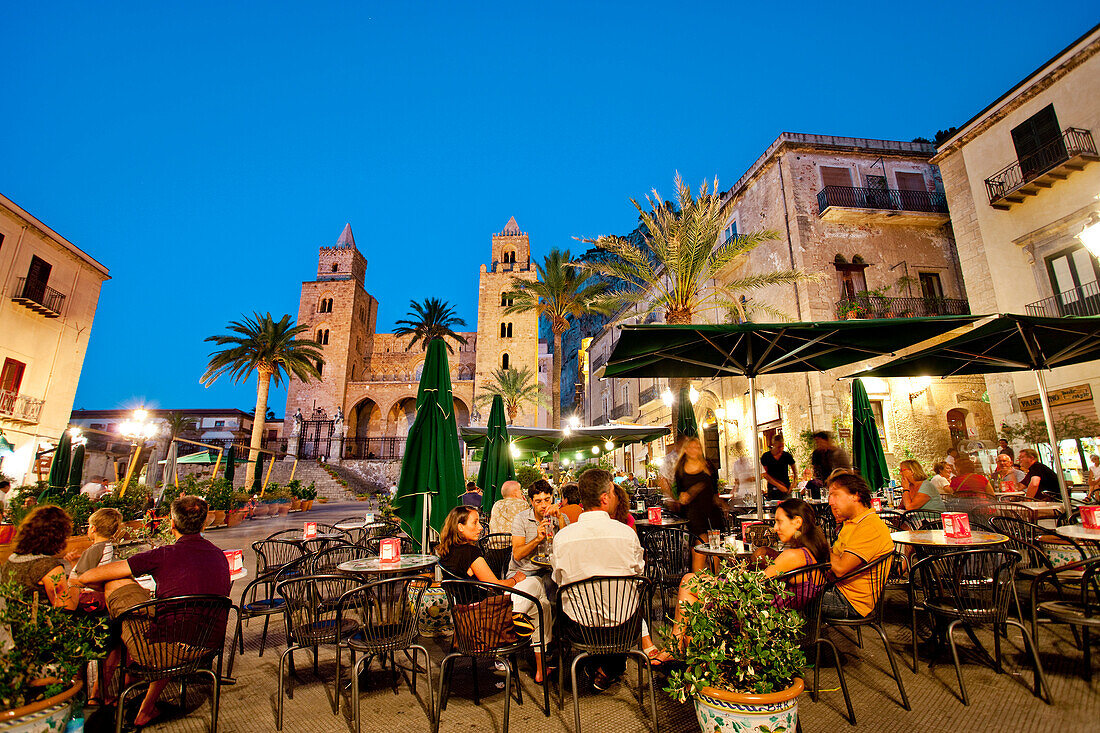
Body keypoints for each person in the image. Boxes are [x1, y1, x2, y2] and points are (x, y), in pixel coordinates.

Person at [77, 496, 231, 726]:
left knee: (115, 585)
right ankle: (144, 708)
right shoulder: (218, 554)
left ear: (171, 523)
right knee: (174, 617)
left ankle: (102, 690)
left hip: (166, 647)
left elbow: (86, 577)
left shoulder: (163, 554)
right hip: (208, 642)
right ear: (204, 524)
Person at [651, 498, 829, 664]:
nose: (775, 528)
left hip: (759, 615)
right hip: (775, 610)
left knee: (689, 583)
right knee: (691, 595)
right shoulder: (813, 551)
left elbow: (753, 585)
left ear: (797, 522)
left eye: (779, 521)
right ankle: (687, 658)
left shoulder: (793, 556)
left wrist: (731, 575)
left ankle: (679, 652)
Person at [551, 468, 644, 692]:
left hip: (579, 627)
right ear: (604, 498)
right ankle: (609, 668)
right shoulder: (626, 533)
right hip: (624, 627)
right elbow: (640, 573)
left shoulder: (563, 537)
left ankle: (596, 666)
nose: (614, 498)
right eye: (612, 493)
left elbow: (558, 580)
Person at [437, 505, 552, 683]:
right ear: (460, 527)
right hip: (490, 621)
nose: (480, 527)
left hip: (465, 621)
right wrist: (515, 579)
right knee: (536, 584)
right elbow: (496, 585)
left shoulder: (446, 553)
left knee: (541, 605)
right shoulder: (471, 553)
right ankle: (542, 662)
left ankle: (540, 666)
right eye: (474, 523)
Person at [823, 472, 894, 618]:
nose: (830, 502)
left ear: (855, 495)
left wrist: (815, 542)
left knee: (784, 594)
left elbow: (840, 569)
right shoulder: (851, 523)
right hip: (835, 587)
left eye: (835, 495)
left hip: (848, 601)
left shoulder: (870, 527)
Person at [1, 505, 80, 608]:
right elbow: (66, 608)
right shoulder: (47, 566)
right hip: (42, 621)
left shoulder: (12, 559)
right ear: (58, 536)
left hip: (15, 620)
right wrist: (75, 581)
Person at [674, 437, 725, 571]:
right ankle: (697, 579)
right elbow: (679, 491)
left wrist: (720, 501)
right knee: (700, 542)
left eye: (697, 447)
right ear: (685, 450)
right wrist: (682, 496)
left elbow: (715, 488)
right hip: (694, 511)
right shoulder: (680, 468)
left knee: (715, 543)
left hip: (711, 509)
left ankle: (715, 576)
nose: (694, 450)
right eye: (691, 447)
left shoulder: (707, 465)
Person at [509, 479, 562, 576]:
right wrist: (537, 539)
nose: (544, 505)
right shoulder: (521, 519)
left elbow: (568, 546)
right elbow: (517, 555)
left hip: (551, 571)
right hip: (523, 572)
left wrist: (560, 518)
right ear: (532, 502)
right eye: (538, 501)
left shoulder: (559, 517)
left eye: (547, 500)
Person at [67, 507, 123, 578]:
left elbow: (80, 577)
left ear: (93, 528)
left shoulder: (94, 550)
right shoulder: (107, 545)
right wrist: (75, 561)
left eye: (89, 526)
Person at [761, 434, 796, 501]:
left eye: (782, 447)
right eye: (779, 447)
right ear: (773, 445)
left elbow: (795, 472)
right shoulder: (766, 456)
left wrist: (793, 484)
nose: (781, 449)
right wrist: (779, 486)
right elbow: (765, 474)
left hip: (786, 487)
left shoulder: (786, 455)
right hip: (773, 488)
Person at [657, 434, 686, 501]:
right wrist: (672, 498)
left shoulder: (688, 459)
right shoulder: (670, 459)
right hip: (676, 500)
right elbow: (662, 481)